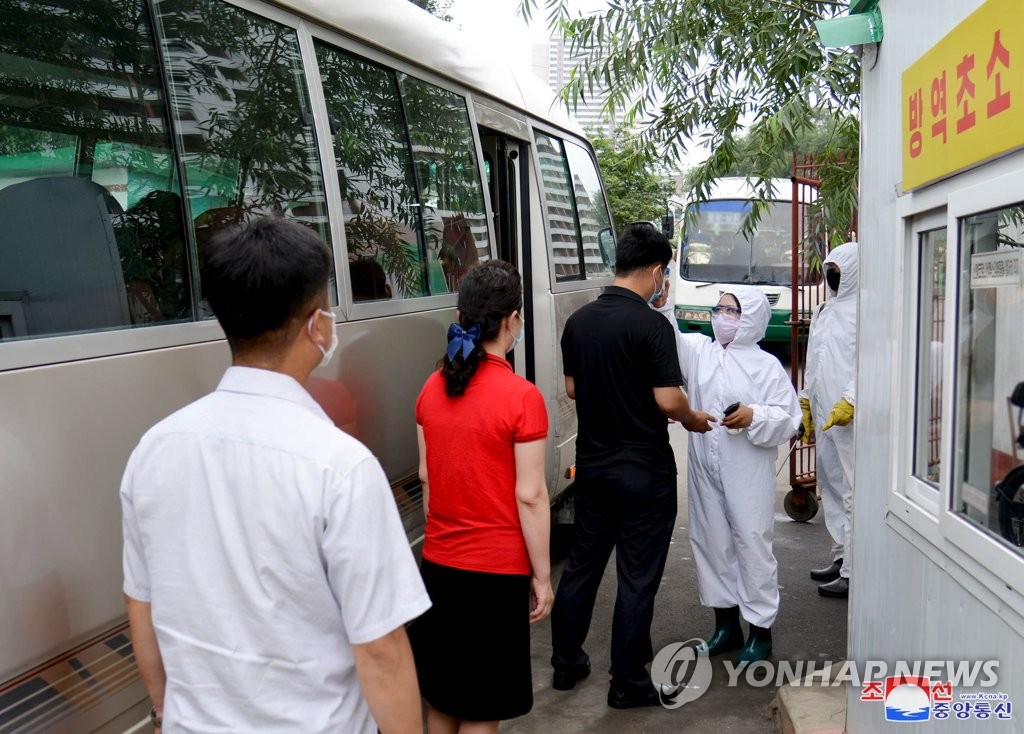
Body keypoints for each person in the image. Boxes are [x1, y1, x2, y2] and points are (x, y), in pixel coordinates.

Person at [120, 217, 430, 733]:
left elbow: (141, 602)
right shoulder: (341, 467)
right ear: (317, 325)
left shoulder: (154, 449)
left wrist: (163, 709)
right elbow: (381, 652)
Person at [551, 223, 716, 709]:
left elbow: (574, 389)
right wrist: (693, 417)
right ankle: (626, 681)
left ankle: (566, 664)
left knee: (582, 567)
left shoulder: (579, 323)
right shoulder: (652, 326)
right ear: (657, 270)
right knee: (636, 577)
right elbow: (668, 400)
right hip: (645, 474)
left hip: (595, 470)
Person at [410, 260, 554, 734]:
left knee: (445, 699)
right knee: (480, 709)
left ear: (459, 313)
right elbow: (530, 496)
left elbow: (426, 476)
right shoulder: (521, 397)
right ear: (513, 319)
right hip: (494, 575)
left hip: (439, 565)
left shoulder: (431, 387)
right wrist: (542, 576)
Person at [657, 285, 800, 663]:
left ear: (750, 318)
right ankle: (726, 626)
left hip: (747, 470)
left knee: (752, 545)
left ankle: (760, 632)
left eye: (732, 311)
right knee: (711, 541)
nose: (722, 316)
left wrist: (755, 415)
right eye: (719, 308)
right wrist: (664, 301)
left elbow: (789, 419)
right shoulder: (699, 351)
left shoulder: (765, 365)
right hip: (705, 467)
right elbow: (667, 336)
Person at [801, 241, 859, 599]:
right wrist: (806, 400)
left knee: (853, 490)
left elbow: (871, 359)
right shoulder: (824, 310)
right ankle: (840, 556)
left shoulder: (865, 312)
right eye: (829, 270)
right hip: (824, 413)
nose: (832, 276)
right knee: (831, 483)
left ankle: (854, 570)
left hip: (850, 416)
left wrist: (851, 398)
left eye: (839, 270)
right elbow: (814, 359)